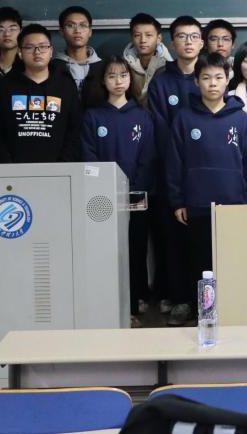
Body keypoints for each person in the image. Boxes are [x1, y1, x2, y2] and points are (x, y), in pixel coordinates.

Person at [166, 52, 247, 324]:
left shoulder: (240, 119)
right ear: (196, 81)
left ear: (228, 80)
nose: (213, 83)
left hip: (234, 205)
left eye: (218, 77)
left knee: (233, 261)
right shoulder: (184, 118)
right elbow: (174, 162)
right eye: (206, 78)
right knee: (201, 262)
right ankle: (205, 314)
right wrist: (178, 201)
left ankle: (235, 312)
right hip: (197, 205)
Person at [81, 55, 156, 327]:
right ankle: (106, 307)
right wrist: (105, 190)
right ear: (103, 81)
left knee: (134, 252)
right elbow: (88, 157)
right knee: (105, 254)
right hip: (101, 200)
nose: (118, 81)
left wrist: (132, 190)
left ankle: (133, 305)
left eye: (123, 75)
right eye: (111, 76)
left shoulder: (142, 116)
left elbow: (148, 158)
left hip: (135, 199)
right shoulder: (92, 116)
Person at [146, 16, 204, 323]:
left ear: (202, 42)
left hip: (206, 174)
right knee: (175, 240)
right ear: (171, 43)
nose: (188, 42)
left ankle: (206, 302)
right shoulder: (161, 82)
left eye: (194, 36)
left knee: (204, 243)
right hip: (172, 172)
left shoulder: (211, 76)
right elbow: (160, 130)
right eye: (182, 36)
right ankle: (181, 299)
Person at [0, 24, 82, 162]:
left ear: (51, 51)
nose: (37, 52)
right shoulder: (4, 87)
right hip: (12, 170)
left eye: (43, 46)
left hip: (58, 170)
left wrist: (63, 164)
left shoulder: (65, 86)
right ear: (20, 52)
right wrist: (7, 164)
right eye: (29, 47)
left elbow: (75, 129)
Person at [123, 12, 172, 109]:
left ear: (158, 38)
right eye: (137, 35)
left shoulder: (169, 67)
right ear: (132, 38)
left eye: (148, 35)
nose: (143, 40)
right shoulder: (122, 66)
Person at [55, 5, 102, 92]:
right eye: (70, 25)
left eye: (83, 25)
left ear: (90, 31)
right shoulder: (52, 68)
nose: (77, 31)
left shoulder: (103, 68)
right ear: (61, 32)